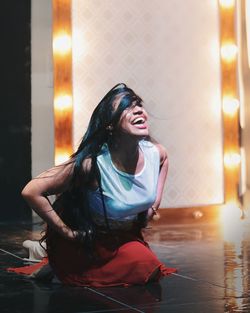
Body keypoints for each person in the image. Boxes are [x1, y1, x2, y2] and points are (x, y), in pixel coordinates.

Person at [11, 83, 176, 287]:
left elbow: (163, 165)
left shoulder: (157, 153)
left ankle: (43, 252)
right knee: (143, 267)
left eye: (138, 104)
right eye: (126, 107)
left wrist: (151, 207)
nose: (138, 109)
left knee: (147, 268)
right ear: (110, 124)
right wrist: (67, 233)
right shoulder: (92, 163)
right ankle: (52, 254)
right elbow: (31, 191)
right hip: (89, 238)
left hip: (124, 235)